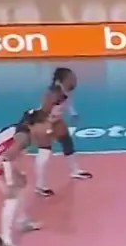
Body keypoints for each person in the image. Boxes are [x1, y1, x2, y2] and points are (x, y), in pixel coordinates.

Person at [0, 110, 45, 246]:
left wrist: (18, 173)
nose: (47, 127)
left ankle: (21, 221)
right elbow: (7, 158)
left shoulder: (22, 131)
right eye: (44, 124)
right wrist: (10, 182)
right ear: (33, 124)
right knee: (12, 198)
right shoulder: (24, 137)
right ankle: (6, 242)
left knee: (21, 185)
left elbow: (10, 154)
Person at [32, 67, 93, 197]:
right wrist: (47, 125)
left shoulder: (65, 90)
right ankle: (40, 186)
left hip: (56, 120)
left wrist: (73, 113)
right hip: (43, 121)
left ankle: (75, 171)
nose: (74, 80)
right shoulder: (53, 93)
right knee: (44, 152)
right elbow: (44, 109)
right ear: (62, 80)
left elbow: (67, 102)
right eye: (71, 78)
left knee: (67, 142)